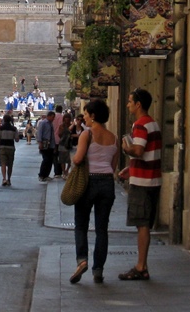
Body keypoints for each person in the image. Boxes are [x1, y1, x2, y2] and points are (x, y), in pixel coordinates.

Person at [69, 98, 119, 284]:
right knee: (102, 229)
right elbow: (113, 166)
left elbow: (78, 159)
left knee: (81, 225)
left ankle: (82, 260)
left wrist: (76, 158)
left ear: (93, 115)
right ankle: (98, 269)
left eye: (87, 114)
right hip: (107, 183)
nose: (84, 118)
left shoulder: (86, 134)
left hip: (88, 182)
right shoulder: (113, 137)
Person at [118, 88, 162, 281]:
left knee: (142, 224)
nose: (128, 105)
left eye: (130, 101)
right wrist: (130, 169)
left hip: (143, 182)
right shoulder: (153, 124)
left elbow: (138, 150)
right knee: (145, 223)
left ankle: (141, 266)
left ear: (138, 104)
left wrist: (126, 149)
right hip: (151, 178)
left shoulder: (141, 125)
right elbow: (148, 154)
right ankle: (142, 265)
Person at [0, 112, 18, 186]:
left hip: (2, 147)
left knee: (3, 164)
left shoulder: (0, 128)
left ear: (4, 120)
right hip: (11, 147)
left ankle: (4, 178)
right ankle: (9, 179)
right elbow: (17, 139)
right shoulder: (14, 129)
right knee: (10, 164)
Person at [36, 111, 56, 182]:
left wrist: (53, 145)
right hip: (44, 144)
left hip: (50, 144)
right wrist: (40, 142)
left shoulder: (50, 124)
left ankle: (46, 175)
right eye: (52, 117)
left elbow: (52, 135)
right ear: (49, 116)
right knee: (46, 159)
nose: (53, 119)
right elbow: (39, 133)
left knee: (50, 160)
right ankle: (41, 174)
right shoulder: (43, 123)